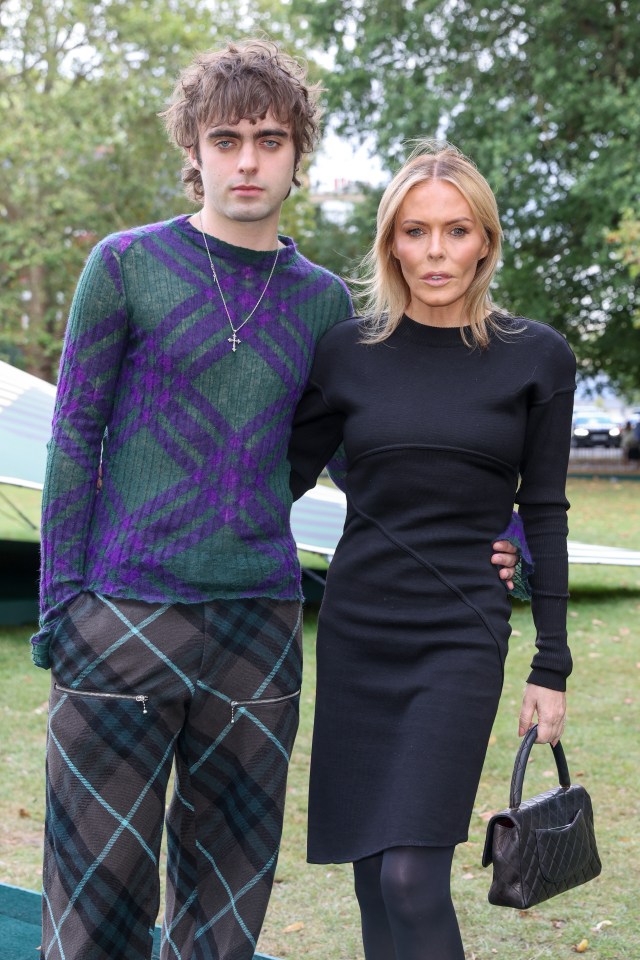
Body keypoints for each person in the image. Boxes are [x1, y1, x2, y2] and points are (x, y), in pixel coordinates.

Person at [32, 40, 518, 960]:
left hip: (260, 628)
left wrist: (494, 537)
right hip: (124, 616)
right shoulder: (126, 264)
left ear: (299, 156)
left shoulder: (325, 307)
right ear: (195, 149)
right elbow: (72, 442)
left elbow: (381, 452)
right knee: (97, 900)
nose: (247, 159)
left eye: (268, 139)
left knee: (227, 905)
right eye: (226, 140)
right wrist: (63, 606)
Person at [287, 141, 576, 960]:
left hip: (460, 631)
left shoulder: (537, 356)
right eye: (416, 233)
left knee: (413, 877)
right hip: (358, 629)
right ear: (391, 243)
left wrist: (550, 664)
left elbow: (545, 509)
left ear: (485, 239)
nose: (435, 253)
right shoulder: (346, 351)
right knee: (374, 875)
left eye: (455, 232)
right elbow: (279, 476)